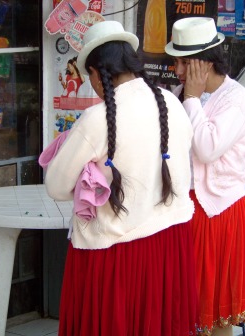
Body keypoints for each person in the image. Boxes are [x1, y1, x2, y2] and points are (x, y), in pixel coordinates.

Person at [43, 20, 198, 336]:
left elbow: (56, 186)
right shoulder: (171, 103)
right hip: (170, 245)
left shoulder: (95, 120)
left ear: (97, 75)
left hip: (115, 255)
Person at [165, 17, 245, 336]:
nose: (177, 70)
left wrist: (192, 99)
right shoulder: (179, 93)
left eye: (182, 62)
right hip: (185, 211)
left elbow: (207, 148)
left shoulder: (236, 98)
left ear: (201, 63)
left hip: (220, 213)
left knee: (217, 316)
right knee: (185, 310)